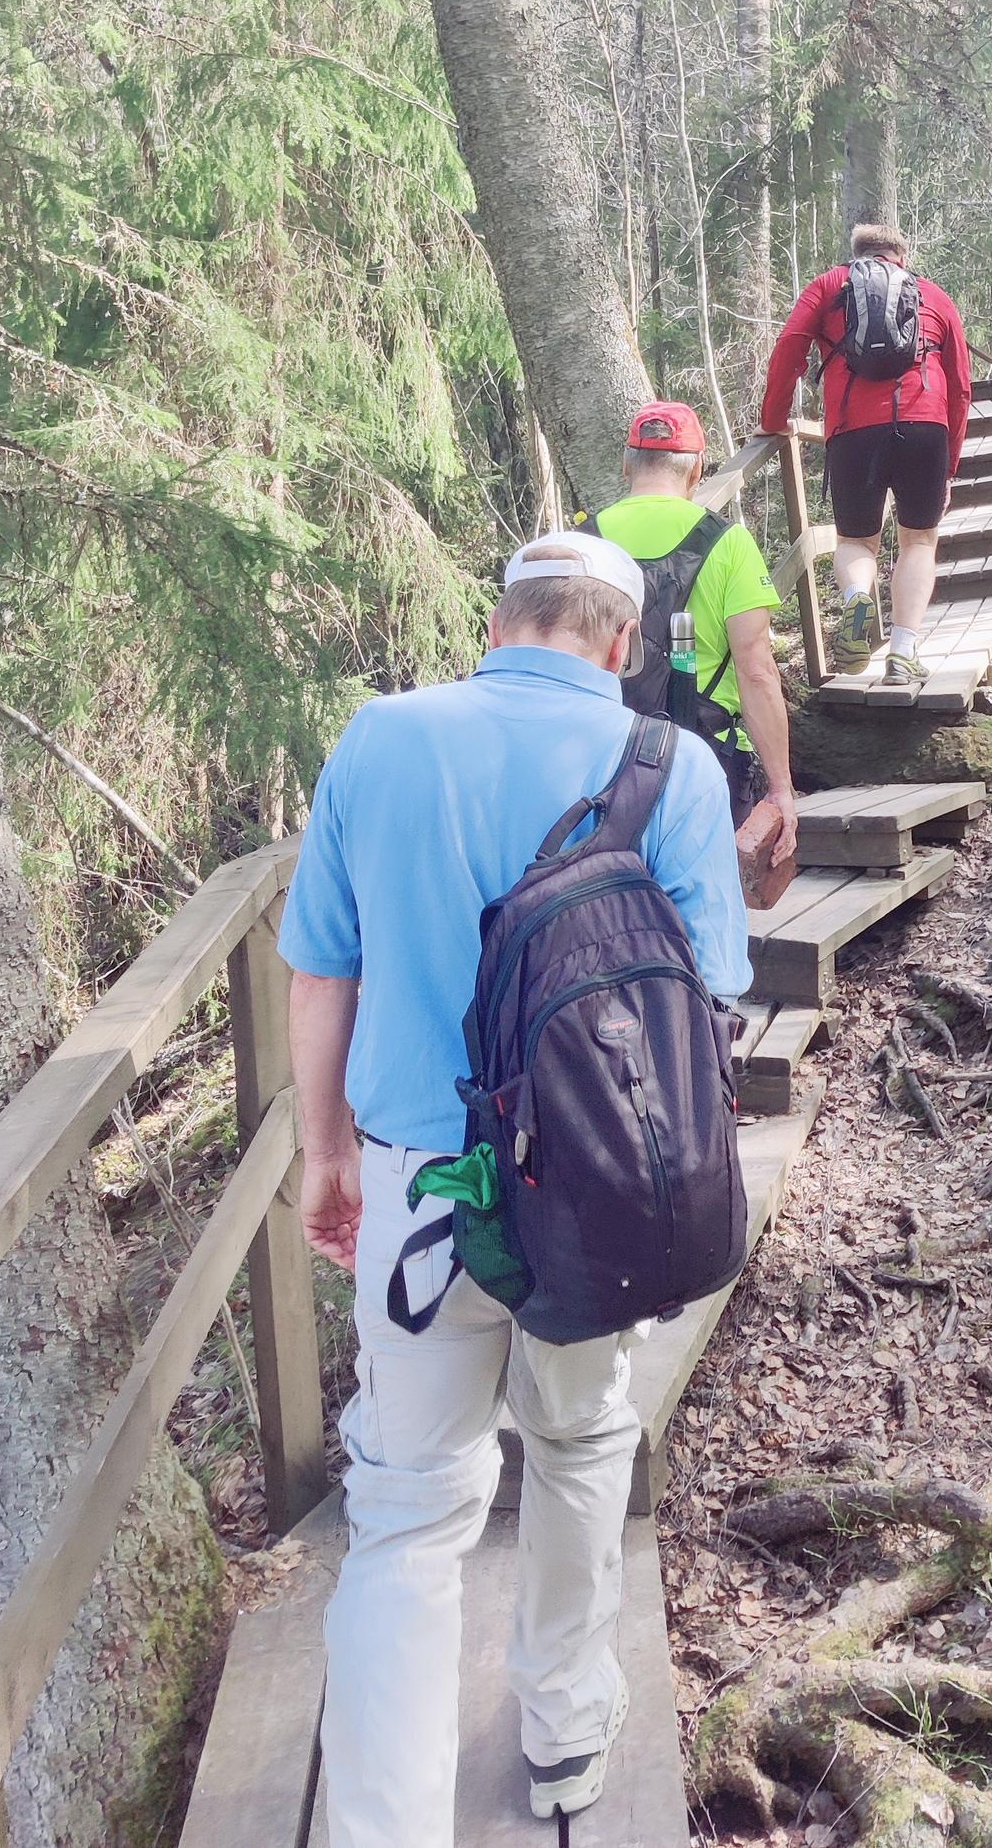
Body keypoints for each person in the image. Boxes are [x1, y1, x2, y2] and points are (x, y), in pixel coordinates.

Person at [278, 534, 751, 1847]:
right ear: (622, 642)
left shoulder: (381, 739)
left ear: (498, 625)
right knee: (580, 1440)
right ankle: (564, 1724)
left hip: (423, 1189)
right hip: (594, 1192)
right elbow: (713, 991)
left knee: (407, 1510)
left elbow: (321, 971)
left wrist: (325, 1152)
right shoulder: (673, 767)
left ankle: (387, 1827)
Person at [759, 220, 972, 685]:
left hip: (852, 430)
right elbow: (960, 387)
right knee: (919, 541)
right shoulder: (933, 296)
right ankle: (903, 652)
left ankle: (857, 595)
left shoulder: (828, 285)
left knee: (856, 542)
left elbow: (790, 346)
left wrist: (773, 419)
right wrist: (950, 465)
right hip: (924, 426)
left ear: (855, 253)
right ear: (903, 257)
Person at [591, 400, 798, 865]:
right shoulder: (728, 542)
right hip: (705, 757)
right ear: (697, 469)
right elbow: (757, 672)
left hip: (602, 759)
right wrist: (781, 788)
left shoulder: (585, 541)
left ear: (627, 464)